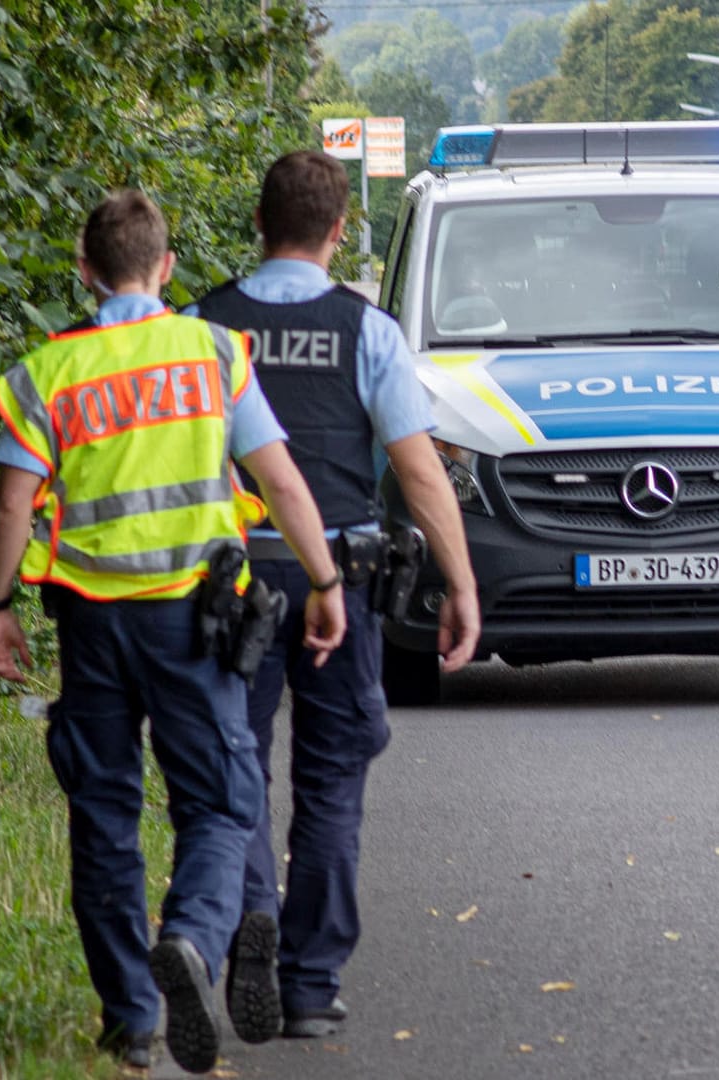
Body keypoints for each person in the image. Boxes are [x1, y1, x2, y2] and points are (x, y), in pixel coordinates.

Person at [0, 189, 348, 1075]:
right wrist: (325, 582)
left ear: (84, 271)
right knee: (222, 803)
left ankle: (132, 1018)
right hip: (193, 619)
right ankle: (190, 936)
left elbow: (11, 503)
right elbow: (283, 482)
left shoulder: (48, 373)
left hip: (91, 624)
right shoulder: (212, 352)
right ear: (167, 266)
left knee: (102, 809)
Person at [188, 150, 483, 1041]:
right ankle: (310, 983)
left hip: (226, 585)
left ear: (257, 224)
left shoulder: (205, 327)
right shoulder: (369, 332)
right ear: (339, 232)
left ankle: (249, 919)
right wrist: (460, 585)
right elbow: (420, 474)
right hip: (337, 588)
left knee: (234, 765)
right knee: (331, 778)